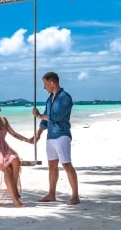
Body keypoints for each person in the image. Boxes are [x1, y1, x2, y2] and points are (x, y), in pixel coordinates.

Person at [30, 72, 80, 205]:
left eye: (45, 84)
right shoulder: (49, 99)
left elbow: (56, 116)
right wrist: (39, 133)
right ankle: (51, 194)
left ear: (52, 83)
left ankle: (75, 196)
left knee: (66, 164)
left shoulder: (65, 97)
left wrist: (39, 115)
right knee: (52, 165)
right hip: (50, 136)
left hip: (62, 135)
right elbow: (46, 119)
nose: (44, 87)